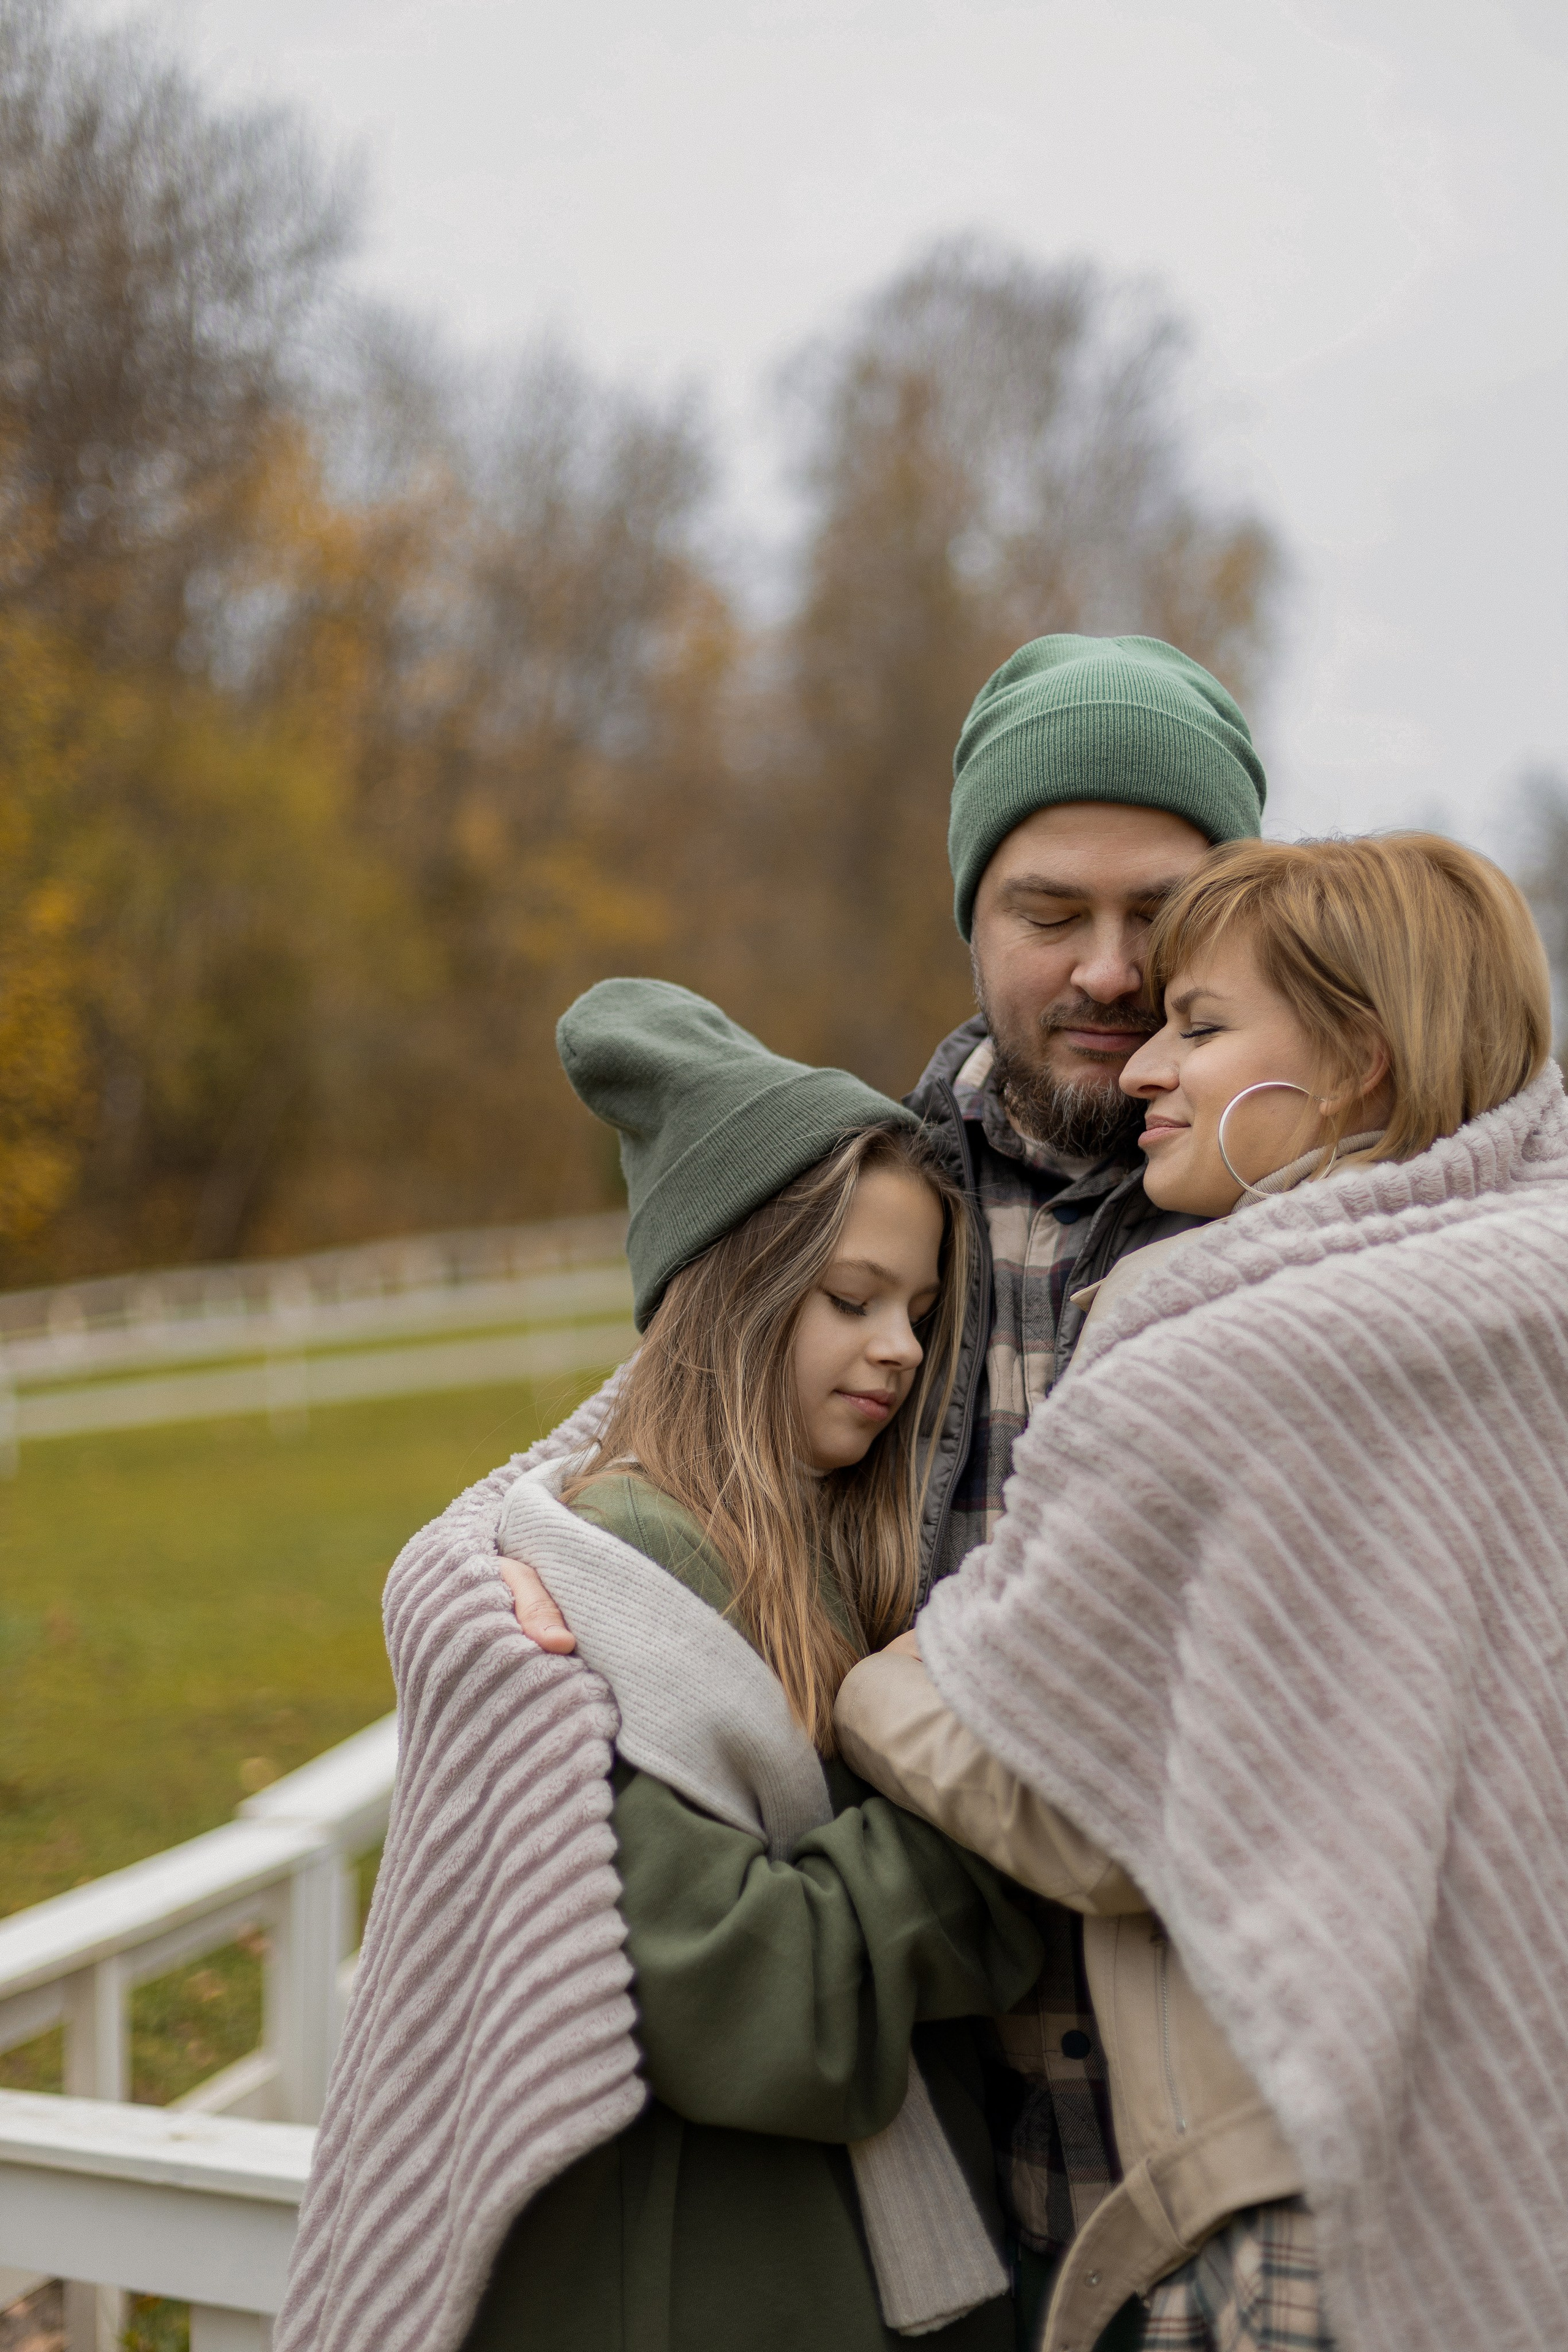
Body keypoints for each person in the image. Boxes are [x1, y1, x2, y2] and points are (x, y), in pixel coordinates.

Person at [498, 635, 1271, 2336]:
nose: (1110, 969)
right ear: (972, 920)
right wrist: (463, 1577)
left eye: (1166, 911)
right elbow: (654, 1410)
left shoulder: (1315, 1218)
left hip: (1267, 2159)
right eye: (1050, 911)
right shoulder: (884, 1202)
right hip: (951, 2170)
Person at [834, 833, 1568, 2352]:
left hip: (1310, 2185)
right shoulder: (1526, 1286)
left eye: (1200, 1023)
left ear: (1358, 1061)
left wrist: (861, 1677)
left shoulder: (1234, 1365)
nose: (1146, 1066)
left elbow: (1070, 1795)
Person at [279, 979, 1046, 2352]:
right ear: (738, 1296)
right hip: (693, 2280)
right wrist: (989, 1816)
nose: (899, 1349)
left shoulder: (815, 1544)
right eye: (850, 1298)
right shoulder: (616, 1581)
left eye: (921, 1310)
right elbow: (764, 2004)